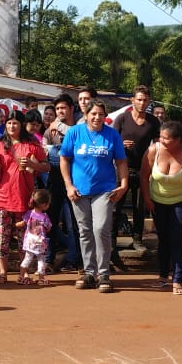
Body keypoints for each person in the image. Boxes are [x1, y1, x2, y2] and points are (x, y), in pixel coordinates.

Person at [59, 100, 128, 293]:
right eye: (93, 114)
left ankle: (104, 274)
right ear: (86, 115)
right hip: (79, 191)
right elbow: (64, 159)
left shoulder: (112, 134)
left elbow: (121, 161)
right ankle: (89, 273)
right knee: (85, 231)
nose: (97, 117)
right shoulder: (74, 132)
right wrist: (68, 185)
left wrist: (124, 184)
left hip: (104, 190)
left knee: (101, 229)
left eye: (101, 114)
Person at [142, 121, 182, 295]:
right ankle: (163, 276)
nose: (162, 141)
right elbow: (143, 176)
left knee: (177, 239)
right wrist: (147, 199)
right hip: (157, 201)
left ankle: (177, 279)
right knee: (163, 239)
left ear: (178, 139)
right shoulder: (153, 150)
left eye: (166, 138)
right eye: (160, 137)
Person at [0, 110, 49, 284]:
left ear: (22, 125)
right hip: (1, 199)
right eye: (9, 123)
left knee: (25, 241)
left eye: (16, 123)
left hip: (24, 200)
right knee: (1, 240)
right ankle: (3, 272)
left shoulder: (32, 144)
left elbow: (46, 166)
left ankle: (24, 273)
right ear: (5, 124)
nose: (12, 126)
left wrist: (33, 164)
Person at [112, 85, 161, 252]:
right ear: (132, 100)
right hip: (122, 168)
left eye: (145, 100)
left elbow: (158, 145)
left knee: (140, 207)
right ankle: (111, 241)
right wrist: (121, 144)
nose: (142, 103)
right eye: (139, 99)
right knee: (115, 206)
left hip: (144, 170)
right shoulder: (122, 118)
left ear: (149, 101)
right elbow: (111, 140)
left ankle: (137, 239)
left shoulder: (153, 121)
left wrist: (154, 167)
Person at [43, 93, 81, 272]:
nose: (60, 111)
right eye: (57, 109)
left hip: (76, 182)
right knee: (50, 221)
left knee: (74, 224)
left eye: (63, 108)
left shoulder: (81, 127)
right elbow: (43, 153)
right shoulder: (49, 131)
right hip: (55, 182)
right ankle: (48, 261)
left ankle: (73, 260)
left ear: (71, 108)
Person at [18, 189, 53, 285]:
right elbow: (49, 228)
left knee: (27, 258)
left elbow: (23, 223)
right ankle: (41, 278)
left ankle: (21, 277)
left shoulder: (29, 214)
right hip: (40, 242)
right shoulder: (44, 217)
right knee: (41, 259)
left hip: (29, 241)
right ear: (44, 204)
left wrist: (17, 225)